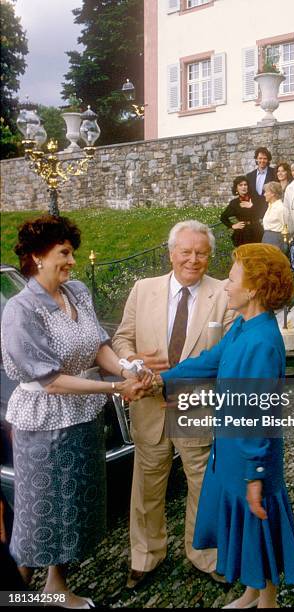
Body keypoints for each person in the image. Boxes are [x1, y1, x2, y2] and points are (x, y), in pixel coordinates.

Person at [0, 215, 148, 609]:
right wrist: (117, 387)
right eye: (64, 253)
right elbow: (49, 380)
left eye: (72, 252)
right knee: (41, 509)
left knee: (73, 504)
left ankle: (52, 585)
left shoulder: (77, 291)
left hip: (83, 418)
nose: (72, 261)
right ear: (37, 257)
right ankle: (20, 590)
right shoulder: (20, 310)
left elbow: (99, 344)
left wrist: (128, 368)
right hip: (44, 423)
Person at [161, 244, 294, 609]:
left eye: (234, 276)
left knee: (258, 528)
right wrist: (162, 381)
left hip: (250, 458)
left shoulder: (262, 342)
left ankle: (267, 600)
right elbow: (210, 361)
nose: (226, 283)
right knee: (244, 527)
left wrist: (255, 475)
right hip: (230, 451)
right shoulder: (243, 326)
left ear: (253, 288)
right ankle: (251, 592)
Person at [112, 220, 235, 588]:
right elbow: (121, 339)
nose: (193, 260)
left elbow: (228, 357)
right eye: (186, 252)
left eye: (201, 253)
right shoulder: (143, 289)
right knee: (147, 485)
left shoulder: (225, 294)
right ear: (171, 253)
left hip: (196, 406)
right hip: (148, 405)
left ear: (209, 255)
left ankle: (205, 554)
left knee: (202, 483)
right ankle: (146, 556)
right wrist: (134, 362)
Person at [220, 176, 264, 246]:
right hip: (242, 234)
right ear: (236, 188)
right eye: (240, 185)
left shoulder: (256, 199)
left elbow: (262, 214)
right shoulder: (234, 203)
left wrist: (252, 207)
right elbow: (223, 217)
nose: (243, 187)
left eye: (245, 185)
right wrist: (232, 225)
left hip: (256, 231)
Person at [246, 147, 276, 214]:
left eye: (265, 158)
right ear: (256, 159)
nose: (262, 161)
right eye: (260, 158)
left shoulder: (274, 173)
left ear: (268, 160)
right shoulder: (249, 176)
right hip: (254, 212)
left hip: (270, 210)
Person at [262, 181, 289, 254]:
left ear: (273, 193)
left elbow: (286, 226)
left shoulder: (281, 208)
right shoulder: (270, 206)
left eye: (266, 192)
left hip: (276, 241)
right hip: (266, 238)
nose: (264, 194)